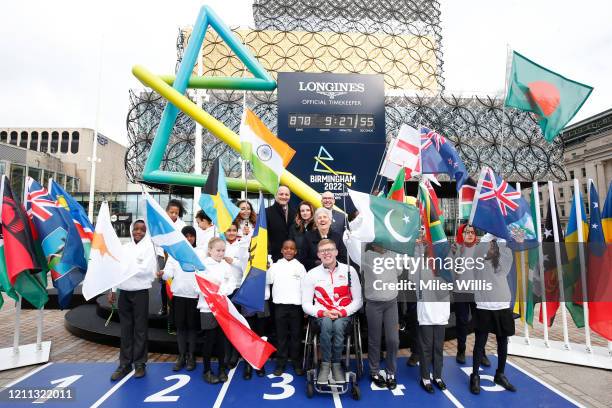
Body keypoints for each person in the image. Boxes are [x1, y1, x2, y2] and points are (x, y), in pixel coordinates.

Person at [301, 239, 362, 385]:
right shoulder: (311, 274)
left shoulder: (350, 271)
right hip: (322, 316)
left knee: (338, 325)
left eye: (329, 249)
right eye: (322, 251)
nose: (326, 253)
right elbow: (306, 304)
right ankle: (325, 366)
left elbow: (358, 300)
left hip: (344, 314)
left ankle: (336, 365)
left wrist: (342, 312)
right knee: (328, 323)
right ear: (318, 255)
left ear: (336, 252)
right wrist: (323, 313)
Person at [108, 219, 159, 381]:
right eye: (136, 229)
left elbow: (146, 271)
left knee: (140, 329)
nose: (138, 232)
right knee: (126, 329)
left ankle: (140, 363)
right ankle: (124, 364)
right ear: (131, 230)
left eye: (142, 230)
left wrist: (128, 269)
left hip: (140, 293)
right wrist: (113, 289)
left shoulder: (149, 248)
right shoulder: (124, 248)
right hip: (125, 293)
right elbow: (116, 270)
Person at [469, 234, 516, 395]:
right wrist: (489, 234)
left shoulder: (504, 259)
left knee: (503, 343)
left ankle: (500, 374)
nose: (490, 247)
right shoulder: (478, 261)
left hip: (502, 306)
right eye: (488, 244)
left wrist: (499, 234)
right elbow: (477, 251)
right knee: (479, 343)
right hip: (483, 306)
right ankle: (475, 375)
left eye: (492, 245)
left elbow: (504, 247)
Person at [159, 226, 200, 372]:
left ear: (195, 237)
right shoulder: (174, 255)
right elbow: (168, 273)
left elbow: (204, 273)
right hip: (178, 297)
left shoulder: (199, 253)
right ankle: (182, 356)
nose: (189, 238)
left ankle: (191, 356)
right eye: (186, 236)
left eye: (191, 236)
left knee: (192, 328)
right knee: (181, 328)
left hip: (194, 297)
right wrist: (162, 273)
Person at [361, 244, 402, 390]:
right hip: (373, 303)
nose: (383, 244)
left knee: (393, 340)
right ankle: (374, 371)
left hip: (391, 302)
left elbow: (399, 271)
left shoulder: (393, 253)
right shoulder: (365, 256)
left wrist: (397, 253)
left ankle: (391, 372)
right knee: (374, 340)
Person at [196, 237, 237, 384]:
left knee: (221, 341)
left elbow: (231, 282)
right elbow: (198, 286)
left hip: (222, 307)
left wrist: (223, 290)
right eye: (218, 250)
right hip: (208, 308)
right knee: (209, 341)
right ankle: (207, 370)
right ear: (210, 250)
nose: (220, 253)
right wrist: (214, 289)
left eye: (223, 250)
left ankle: (221, 369)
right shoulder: (202, 266)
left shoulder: (226, 265)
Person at [415, 238, 450, 394]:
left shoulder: (445, 268)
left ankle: (437, 376)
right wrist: (418, 248)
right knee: (426, 348)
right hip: (426, 314)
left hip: (441, 314)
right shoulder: (420, 268)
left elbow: (448, 288)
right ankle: (425, 377)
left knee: (438, 347)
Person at [452, 224, 490, 367]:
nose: (469, 234)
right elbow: (451, 270)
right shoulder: (456, 248)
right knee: (461, 322)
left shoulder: (480, 249)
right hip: (460, 291)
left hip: (477, 292)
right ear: (462, 234)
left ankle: (481, 353)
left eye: (472, 232)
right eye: (466, 232)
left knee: (480, 322)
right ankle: (461, 350)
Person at [268, 239, 307, 376]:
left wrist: (305, 307)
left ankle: (296, 362)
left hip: (296, 307)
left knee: (296, 336)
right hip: (280, 306)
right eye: (286, 248)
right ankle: (281, 363)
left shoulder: (300, 267)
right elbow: (268, 281)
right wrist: (266, 267)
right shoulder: (275, 266)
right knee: (281, 336)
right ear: (281, 250)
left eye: (292, 248)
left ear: (295, 251)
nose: (289, 251)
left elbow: (305, 288)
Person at [222, 222, 249, 368]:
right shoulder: (221, 244)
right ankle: (227, 353)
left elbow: (246, 265)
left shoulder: (241, 245)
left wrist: (234, 261)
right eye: (228, 230)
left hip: (238, 288)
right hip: (225, 289)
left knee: (238, 323)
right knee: (227, 324)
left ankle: (235, 353)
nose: (231, 233)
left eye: (233, 230)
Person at [158, 199, 186, 316]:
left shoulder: (182, 225)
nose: (174, 215)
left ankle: (174, 308)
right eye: (171, 212)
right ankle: (164, 307)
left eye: (176, 213)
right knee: (164, 282)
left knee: (175, 282)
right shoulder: (160, 222)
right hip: (162, 255)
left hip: (175, 256)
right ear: (167, 211)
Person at [266, 186, 296, 262]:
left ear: (289, 196)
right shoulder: (267, 212)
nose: (284, 197)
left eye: (286, 194)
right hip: (273, 257)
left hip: (292, 257)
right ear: (275, 196)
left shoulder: (295, 213)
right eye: (281, 194)